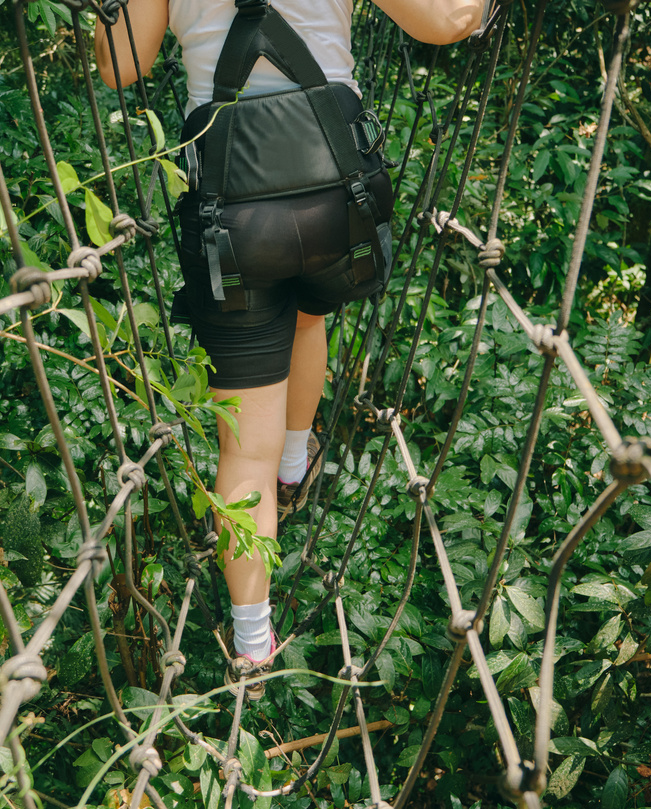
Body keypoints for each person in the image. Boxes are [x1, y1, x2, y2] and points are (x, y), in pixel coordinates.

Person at [96, 0, 483, 699]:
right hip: (340, 197)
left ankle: (252, 646)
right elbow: (447, 19)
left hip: (231, 217)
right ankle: (296, 464)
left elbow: (121, 64)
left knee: (243, 451)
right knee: (307, 314)